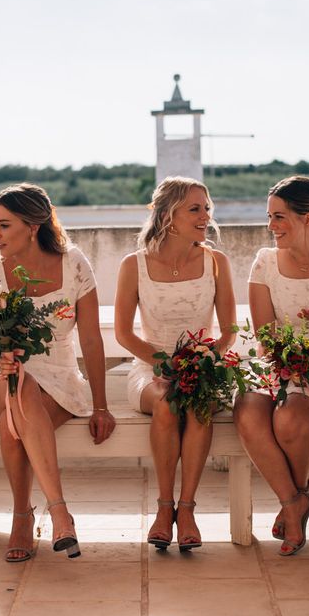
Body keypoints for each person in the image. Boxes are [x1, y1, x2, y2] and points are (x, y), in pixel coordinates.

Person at [0, 183, 116, 562]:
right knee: (19, 383)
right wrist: (1, 358)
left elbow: (90, 339)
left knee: (13, 421)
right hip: (6, 374)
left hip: (59, 376)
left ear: (32, 224)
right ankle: (59, 512)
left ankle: (22, 518)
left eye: (4, 225)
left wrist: (101, 406)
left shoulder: (73, 263)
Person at [115, 176, 237, 552]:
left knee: (198, 405)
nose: (205, 216)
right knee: (168, 401)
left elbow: (229, 329)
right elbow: (124, 334)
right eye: (195, 209)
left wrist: (204, 362)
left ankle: (187, 510)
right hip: (150, 368)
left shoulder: (216, 262)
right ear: (168, 215)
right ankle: (164, 508)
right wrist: (165, 364)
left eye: (207, 208)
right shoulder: (132, 265)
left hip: (205, 367)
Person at [233, 176, 309, 555]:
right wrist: (288, 362)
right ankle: (293, 500)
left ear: (308, 217)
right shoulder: (265, 262)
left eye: (279, 217)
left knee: (289, 421)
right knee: (248, 410)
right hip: (279, 360)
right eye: (270, 217)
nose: (271, 226)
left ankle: (294, 503)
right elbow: (265, 335)